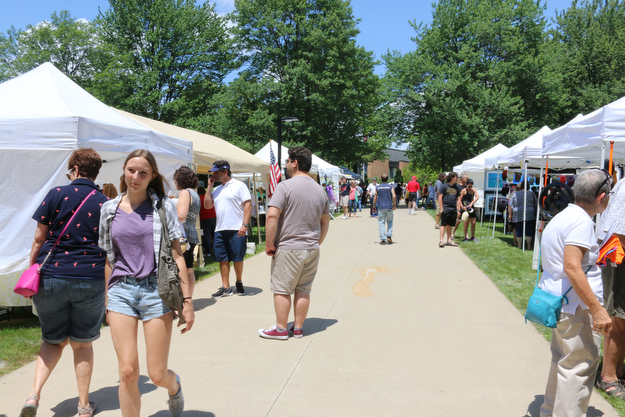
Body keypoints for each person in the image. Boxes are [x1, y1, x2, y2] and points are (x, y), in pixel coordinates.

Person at [99, 149, 194, 417]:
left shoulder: (164, 207)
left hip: (157, 290)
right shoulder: (108, 209)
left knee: (156, 374)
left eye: (143, 172)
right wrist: (107, 299)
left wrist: (186, 301)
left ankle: (174, 386)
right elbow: (108, 258)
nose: (135, 177)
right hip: (121, 291)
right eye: (131, 170)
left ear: (152, 175)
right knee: (127, 371)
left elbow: (178, 255)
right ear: (124, 171)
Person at [21, 149, 108, 417]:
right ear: (95, 172)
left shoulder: (56, 193)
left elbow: (39, 238)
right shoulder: (105, 202)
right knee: (82, 344)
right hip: (89, 276)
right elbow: (108, 247)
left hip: (51, 276)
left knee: (51, 340)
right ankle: (83, 406)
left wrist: (31, 270)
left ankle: (34, 395)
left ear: (74, 169)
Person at [538, 169, 612, 417]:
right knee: (578, 367)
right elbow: (572, 267)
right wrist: (598, 310)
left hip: (559, 302)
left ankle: (550, 412)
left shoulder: (564, 216)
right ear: (602, 197)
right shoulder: (580, 222)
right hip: (574, 307)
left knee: (562, 362)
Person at [259, 147, 330, 340]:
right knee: (303, 289)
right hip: (311, 248)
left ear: (295, 162)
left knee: (282, 289)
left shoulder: (285, 186)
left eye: (288, 161)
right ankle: (298, 328)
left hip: (289, 247)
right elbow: (325, 220)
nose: (286, 165)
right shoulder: (319, 190)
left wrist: (269, 244)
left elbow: (272, 216)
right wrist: (318, 241)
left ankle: (281, 328)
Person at [203, 160, 252, 298]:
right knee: (222, 258)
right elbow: (207, 205)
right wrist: (209, 186)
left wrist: (245, 224)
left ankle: (239, 281)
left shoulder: (239, 185)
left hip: (237, 228)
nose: (214, 174)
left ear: (225, 171)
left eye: (216, 172)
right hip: (220, 229)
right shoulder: (216, 189)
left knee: (237, 258)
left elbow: (248, 205)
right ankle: (226, 287)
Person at [596, 175, 625, 398]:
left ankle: (617, 372)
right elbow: (618, 232)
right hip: (619, 260)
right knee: (617, 320)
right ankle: (607, 378)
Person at [174, 166, 200, 293]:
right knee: (189, 268)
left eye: (175, 179)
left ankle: (184, 299)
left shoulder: (185, 193)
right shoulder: (194, 194)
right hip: (192, 233)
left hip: (183, 235)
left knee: (181, 269)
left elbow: (181, 215)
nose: (174, 182)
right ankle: (188, 299)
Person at [507, 181, 538, 250]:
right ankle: (529, 246)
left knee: (519, 230)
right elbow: (536, 203)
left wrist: (510, 215)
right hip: (530, 213)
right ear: (528, 186)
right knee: (529, 230)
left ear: (521, 186)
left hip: (518, 213)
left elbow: (510, 204)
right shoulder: (531, 194)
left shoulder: (516, 194)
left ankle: (519, 245)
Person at [437, 172, 460, 248]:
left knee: (450, 225)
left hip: (453, 209)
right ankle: (441, 241)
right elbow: (440, 197)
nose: (457, 179)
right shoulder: (444, 186)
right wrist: (441, 208)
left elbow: (458, 199)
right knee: (443, 224)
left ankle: (449, 240)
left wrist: (458, 209)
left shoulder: (456, 187)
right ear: (452, 178)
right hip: (446, 208)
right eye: (456, 177)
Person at [374, 174, 396, 245]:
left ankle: (383, 239)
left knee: (381, 222)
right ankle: (389, 236)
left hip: (381, 207)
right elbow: (394, 196)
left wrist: (374, 207)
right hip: (389, 206)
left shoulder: (377, 187)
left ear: (381, 179)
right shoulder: (390, 187)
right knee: (390, 221)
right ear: (387, 179)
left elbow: (375, 198)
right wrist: (394, 204)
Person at [198, 184, 217, 259]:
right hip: (214, 217)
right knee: (215, 235)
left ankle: (208, 252)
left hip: (204, 218)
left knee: (207, 236)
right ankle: (217, 250)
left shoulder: (200, 199)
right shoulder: (210, 197)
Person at [452, 174, 468, 239]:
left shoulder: (467, 187)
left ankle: (466, 235)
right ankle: (452, 234)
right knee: (457, 221)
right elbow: (457, 198)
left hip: (466, 206)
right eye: (467, 178)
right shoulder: (458, 187)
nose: (468, 179)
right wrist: (458, 206)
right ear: (463, 179)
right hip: (459, 206)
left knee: (466, 221)